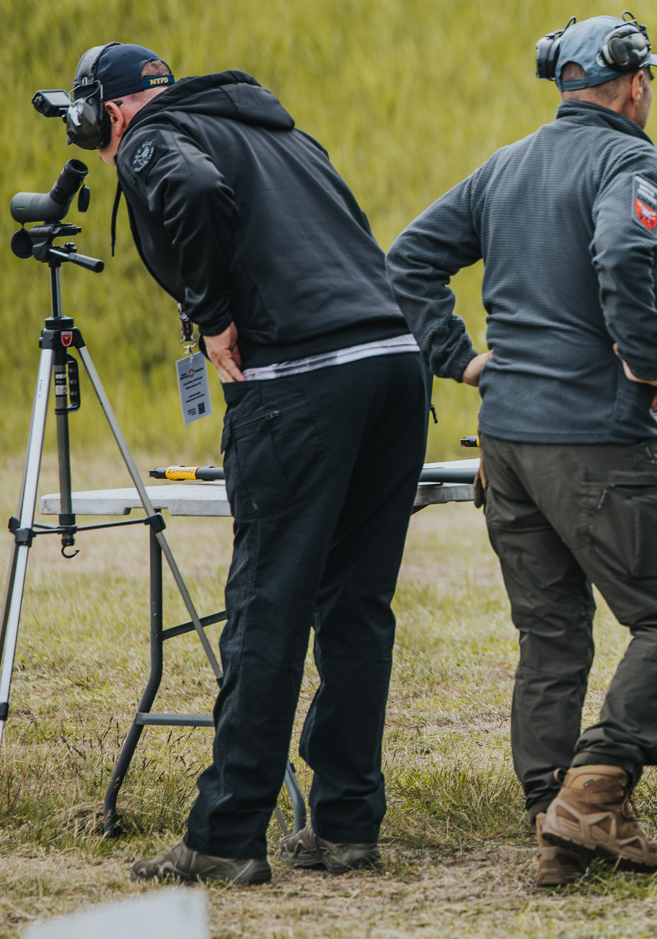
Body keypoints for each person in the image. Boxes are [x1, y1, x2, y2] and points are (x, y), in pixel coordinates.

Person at [59, 44, 430, 887]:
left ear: (108, 115)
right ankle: (344, 823)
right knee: (357, 605)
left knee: (269, 601)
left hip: (303, 377)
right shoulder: (280, 135)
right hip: (392, 362)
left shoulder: (154, 138)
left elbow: (186, 190)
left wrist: (213, 311)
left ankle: (225, 833)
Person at [384, 15, 657, 886]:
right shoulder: (628, 161)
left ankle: (551, 819)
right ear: (634, 84)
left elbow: (408, 260)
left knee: (551, 630)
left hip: (508, 442)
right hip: (592, 438)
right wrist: (647, 359)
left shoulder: (506, 164)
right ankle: (592, 797)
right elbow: (621, 247)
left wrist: (464, 359)